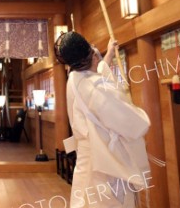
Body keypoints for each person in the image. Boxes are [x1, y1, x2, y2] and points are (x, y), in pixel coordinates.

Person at [61, 32, 151, 207]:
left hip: (86, 160)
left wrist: (108, 55)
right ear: (93, 56)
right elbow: (134, 124)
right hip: (106, 164)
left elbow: (95, 79)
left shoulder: (73, 80)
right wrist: (132, 108)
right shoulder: (97, 90)